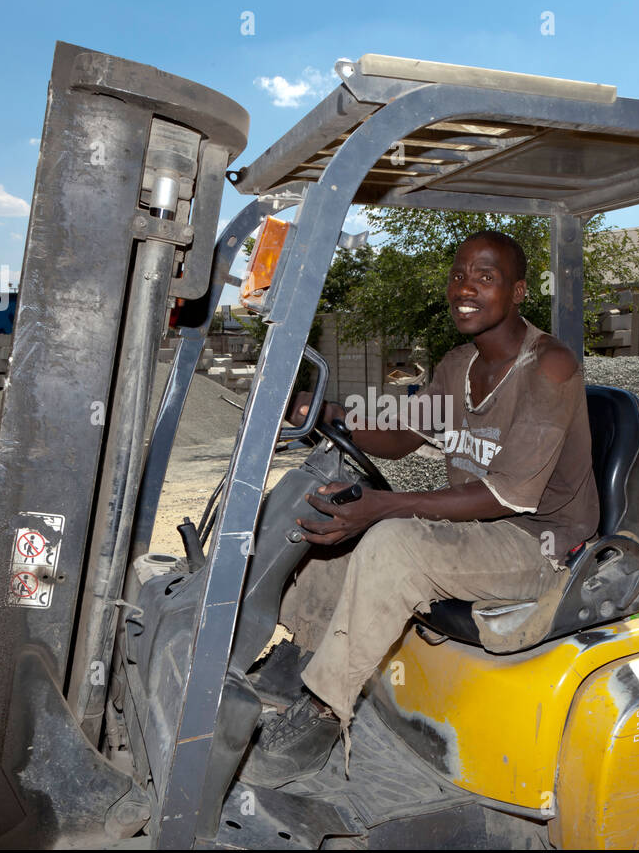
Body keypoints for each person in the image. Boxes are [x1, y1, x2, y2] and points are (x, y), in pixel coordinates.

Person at [244, 230, 599, 786]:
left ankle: (321, 715)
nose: (465, 288)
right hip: (479, 530)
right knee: (331, 510)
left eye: (486, 277)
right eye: (459, 275)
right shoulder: (459, 364)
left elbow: (510, 495)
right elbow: (403, 433)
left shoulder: (548, 368)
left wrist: (385, 506)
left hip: (541, 544)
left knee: (390, 539)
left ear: (519, 291)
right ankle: (302, 657)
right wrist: (330, 413)